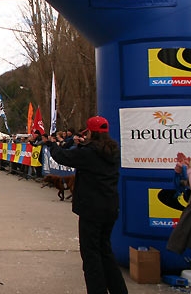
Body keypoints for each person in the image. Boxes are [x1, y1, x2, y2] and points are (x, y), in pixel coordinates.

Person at [48, 115, 127, 294]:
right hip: (110, 207)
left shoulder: (88, 152)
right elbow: (92, 153)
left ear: (90, 132)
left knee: (91, 256)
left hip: (91, 209)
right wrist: (83, 143)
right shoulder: (113, 150)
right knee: (105, 251)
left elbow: (62, 156)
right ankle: (119, 290)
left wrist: (52, 144)